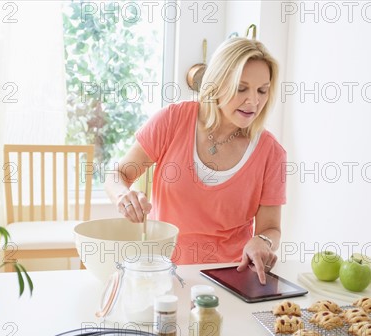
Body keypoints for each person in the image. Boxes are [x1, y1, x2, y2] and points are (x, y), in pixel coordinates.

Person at [105, 38, 286, 284]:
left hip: (231, 277)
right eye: (241, 88)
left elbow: (271, 229)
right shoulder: (173, 120)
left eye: (262, 90)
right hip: (161, 270)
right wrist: (122, 196)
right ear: (217, 83)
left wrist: (262, 241)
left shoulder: (271, 153)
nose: (253, 101)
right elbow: (118, 176)